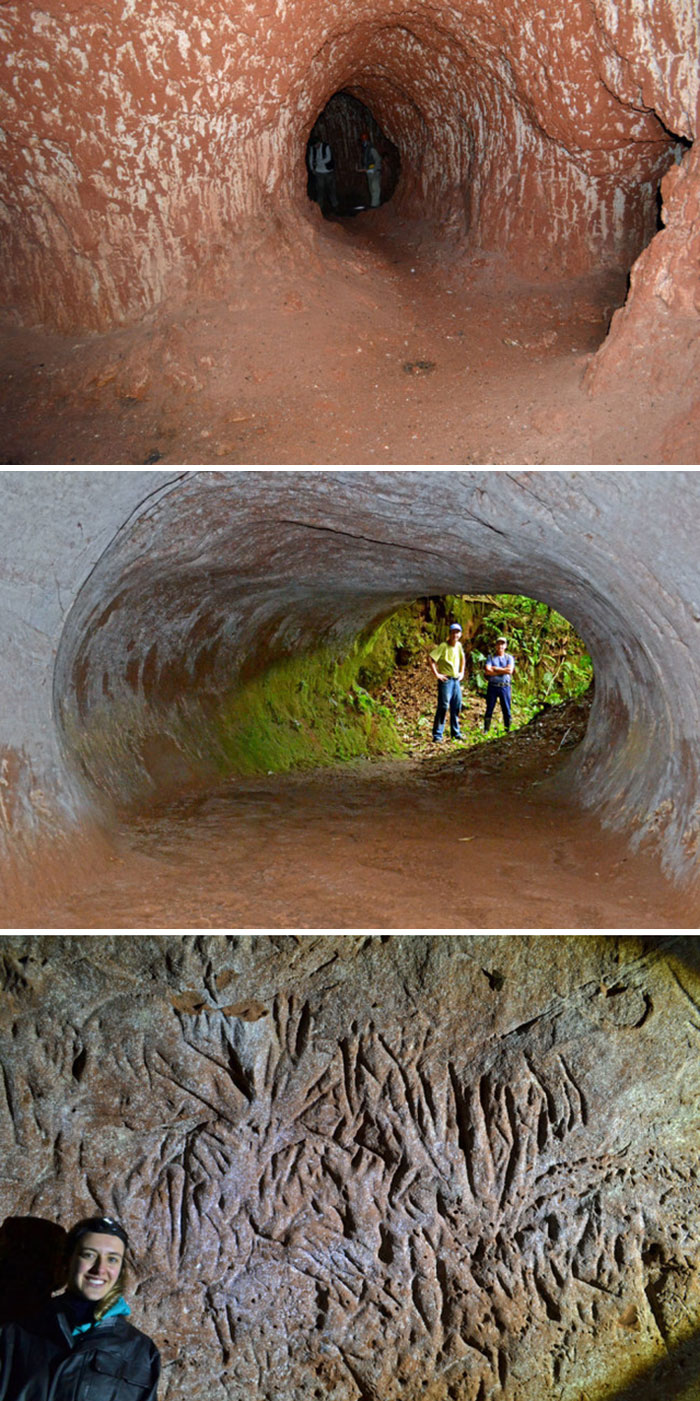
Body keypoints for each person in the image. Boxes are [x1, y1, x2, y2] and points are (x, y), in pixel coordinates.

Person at [0, 1216, 160, 1400]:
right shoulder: (16, 1334)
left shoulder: (141, 1351)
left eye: (113, 1259)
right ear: (68, 1260)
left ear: (121, 1270)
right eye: (89, 1255)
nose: (100, 1269)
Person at [428, 622, 465, 742]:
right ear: (450, 634)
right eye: (453, 632)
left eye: (457, 632)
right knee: (443, 706)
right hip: (446, 680)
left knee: (456, 706)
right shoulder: (443, 646)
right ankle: (437, 735)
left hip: (456, 680)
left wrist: (462, 672)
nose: (455, 635)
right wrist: (437, 674)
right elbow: (431, 658)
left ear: (460, 634)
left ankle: (456, 732)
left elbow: (462, 658)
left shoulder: (458, 646)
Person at [483, 635, 516, 732]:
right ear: (496, 645)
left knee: (506, 709)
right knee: (489, 708)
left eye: (502, 644)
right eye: (499, 644)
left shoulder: (509, 658)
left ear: (505, 646)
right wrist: (503, 670)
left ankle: (507, 729)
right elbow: (487, 670)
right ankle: (486, 730)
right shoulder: (491, 657)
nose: (500, 646)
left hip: (505, 687)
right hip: (492, 686)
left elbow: (510, 670)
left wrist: (495, 669)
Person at [307, 136, 338, 215]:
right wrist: (312, 169)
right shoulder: (312, 148)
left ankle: (335, 207)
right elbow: (310, 159)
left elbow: (328, 158)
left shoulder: (326, 146)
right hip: (319, 172)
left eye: (316, 145)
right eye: (314, 146)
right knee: (320, 190)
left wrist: (318, 162)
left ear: (319, 142)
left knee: (331, 189)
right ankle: (320, 208)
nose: (315, 147)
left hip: (328, 171)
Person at [358, 132, 382, 208]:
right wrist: (364, 169)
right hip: (369, 172)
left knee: (375, 187)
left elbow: (378, 160)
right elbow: (367, 162)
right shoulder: (365, 150)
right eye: (362, 139)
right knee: (371, 188)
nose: (363, 141)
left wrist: (374, 170)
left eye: (365, 139)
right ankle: (376, 204)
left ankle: (374, 206)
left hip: (374, 172)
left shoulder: (371, 149)